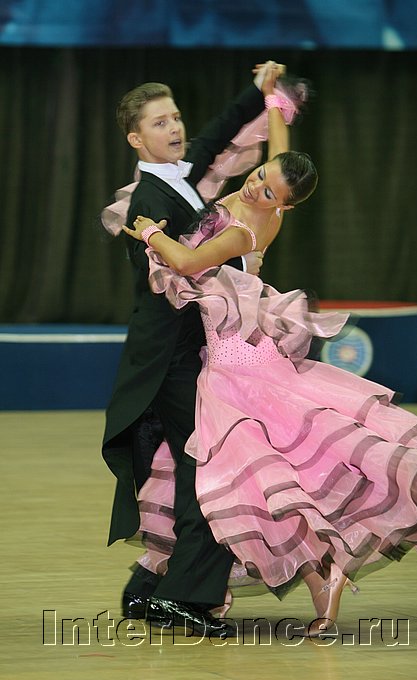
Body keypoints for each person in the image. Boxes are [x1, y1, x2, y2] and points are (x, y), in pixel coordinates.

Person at [124, 70, 417, 637]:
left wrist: (150, 234)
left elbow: (187, 262)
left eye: (270, 192)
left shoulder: (245, 229)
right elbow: (281, 148)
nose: (256, 189)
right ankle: (313, 581)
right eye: (258, 177)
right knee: (272, 476)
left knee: (251, 477)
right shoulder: (268, 189)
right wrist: (274, 97)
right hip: (240, 358)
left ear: (285, 207)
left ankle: (226, 585)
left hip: (233, 367)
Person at [102, 61, 288, 638]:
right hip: (168, 360)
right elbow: (170, 272)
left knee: (193, 466)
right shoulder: (147, 200)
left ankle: (151, 588)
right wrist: (160, 241)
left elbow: (220, 127)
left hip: (189, 355)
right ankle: (182, 595)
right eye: (160, 123)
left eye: (175, 117)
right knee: (216, 462)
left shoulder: (181, 173)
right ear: (137, 139)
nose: (176, 128)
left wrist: (258, 91)